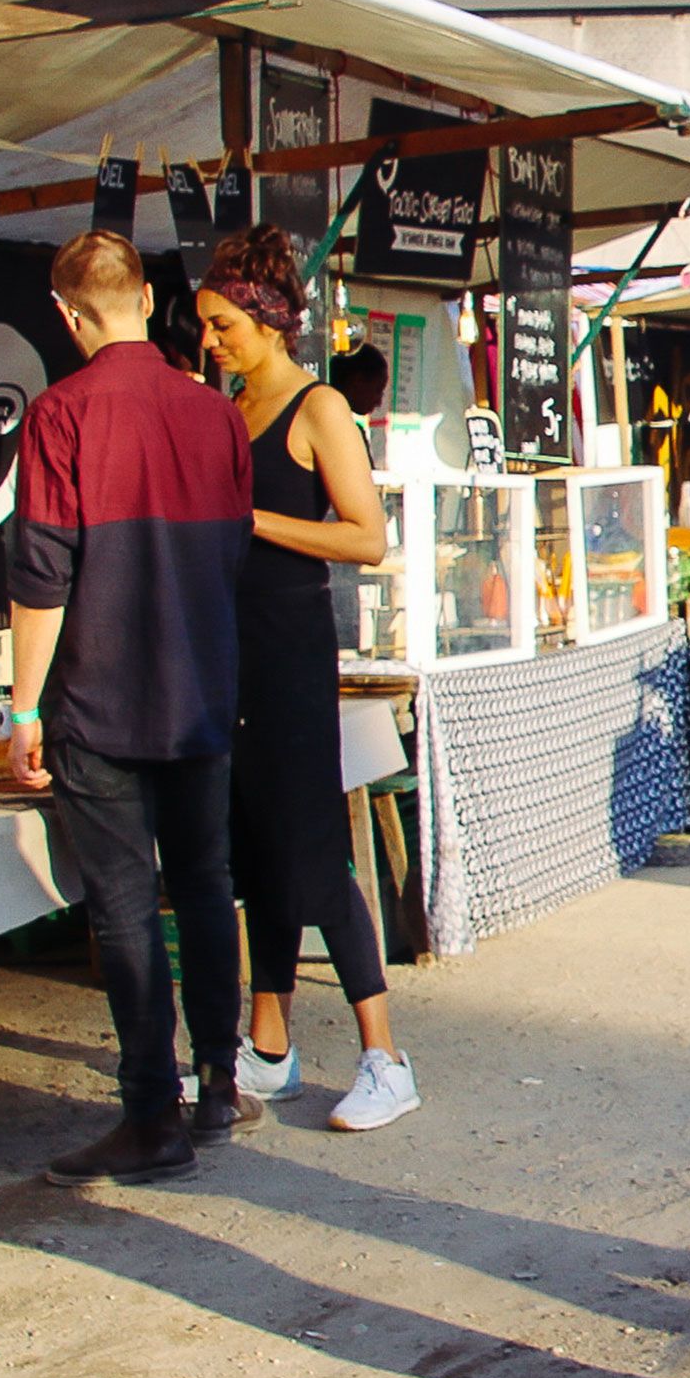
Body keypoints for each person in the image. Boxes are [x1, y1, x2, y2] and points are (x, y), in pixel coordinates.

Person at [7, 230, 255, 1186]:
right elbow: (232, 550)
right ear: (149, 301)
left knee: (122, 905)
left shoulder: (57, 414)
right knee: (204, 884)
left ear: (66, 314)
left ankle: (152, 1115)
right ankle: (219, 1084)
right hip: (201, 686)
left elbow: (42, 574)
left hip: (102, 694)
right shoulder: (216, 414)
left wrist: (22, 708)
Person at [194, 228, 420, 1134]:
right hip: (230, 647)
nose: (210, 341)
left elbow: (366, 536)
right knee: (256, 849)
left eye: (222, 325)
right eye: (205, 326)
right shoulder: (230, 408)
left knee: (313, 851)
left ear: (268, 320)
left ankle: (385, 1057)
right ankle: (270, 1046)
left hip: (290, 644)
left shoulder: (317, 406)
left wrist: (249, 519)